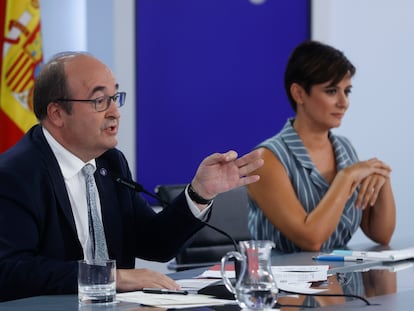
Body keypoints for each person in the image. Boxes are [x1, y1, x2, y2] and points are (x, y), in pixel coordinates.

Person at [0, 51, 264, 301]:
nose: (115, 111)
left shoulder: (110, 163)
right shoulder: (16, 174)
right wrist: (109, 278)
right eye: (99, 101)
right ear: (57, 113)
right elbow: (10, 271)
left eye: (116, 98)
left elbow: (155, 244)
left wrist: (200, 192)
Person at [247, 40, 396, 253]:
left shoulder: (345, 148)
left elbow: (381, 234)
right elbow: (311, 240)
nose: (344, 102)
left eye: (347, 91)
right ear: (299, 94)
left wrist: (381, 175)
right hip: (281, 283)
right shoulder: (265, 159)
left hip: (341, 281)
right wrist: (345, 178)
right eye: (332, 91)